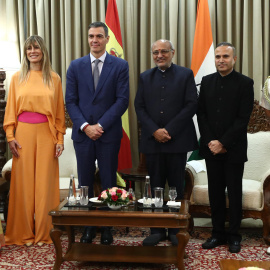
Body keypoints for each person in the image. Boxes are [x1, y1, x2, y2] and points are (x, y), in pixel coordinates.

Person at [65, 21, 129, 245]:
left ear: (106, 39)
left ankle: (107, 227)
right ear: (88, 38)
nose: (95, 40)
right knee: (85, 183)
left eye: (99, 36)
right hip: (83, 135)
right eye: (91, 36)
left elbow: (122, 101)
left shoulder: (120, 65)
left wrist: (100, 126)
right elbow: (70, 101)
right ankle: (88, 227)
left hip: (108, 134)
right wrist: (85, 127)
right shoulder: (75, 66)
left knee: (109, 181)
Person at [134, 39, 198, 246]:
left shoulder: (185, 74)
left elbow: (191, 105)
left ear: (173, 52)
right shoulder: (145, 77)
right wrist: (155, 131)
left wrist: (168, 130)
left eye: (163, 51)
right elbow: (139, 107)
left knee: (176, 187)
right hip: (153, 142)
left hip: (176, 140)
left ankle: (175, 229)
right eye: (155, 52)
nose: (159, 55)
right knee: (156, 187)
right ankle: (157, 229)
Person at [4, 35, 66, 246]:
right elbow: (10, 108)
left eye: (36, 48)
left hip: (47, 134)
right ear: (25, 52)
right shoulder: (16, 78)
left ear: (43, 51)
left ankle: (44, 234)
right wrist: (10, 136)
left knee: (45, 186)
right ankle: (22, 233)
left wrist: (60, 139)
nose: (33, 51)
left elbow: (59, 113)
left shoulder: (54, 78)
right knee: (23, 185)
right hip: (23, 134)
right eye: (29, 48)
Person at [197, 42, 254, 253]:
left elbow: (242, 118)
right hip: (211, 149)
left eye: (225, 57)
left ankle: (234, 236)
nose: (221, 60)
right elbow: (201, 113)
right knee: (216, 194)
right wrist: (212, 141)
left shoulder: (245, 83)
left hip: (234, 150)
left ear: (234, 59)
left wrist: (223, 143)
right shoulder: (207, 81)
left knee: (235, 194)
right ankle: (217, 234)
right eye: (218, 56)